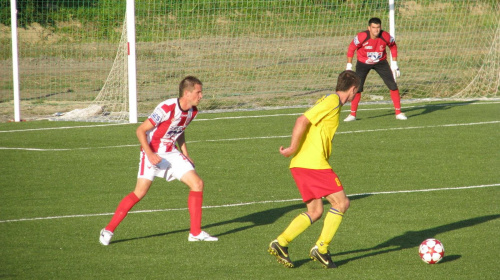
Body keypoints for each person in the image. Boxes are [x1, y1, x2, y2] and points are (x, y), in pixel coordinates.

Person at [99, 76, 218, 246]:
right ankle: (108, 229)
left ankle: (195, 232)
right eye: (198, 92)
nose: (201, 96)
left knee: (197, 184)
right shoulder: (167, 107)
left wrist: (185, 153)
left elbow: (179, 130)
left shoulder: (192, 111)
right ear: (187, 93)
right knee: (139, 193)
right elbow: (140, 130)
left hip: (171, 153)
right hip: (152, 152)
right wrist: (150, 154)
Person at [268, 70, 361, 269]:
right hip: (313, 164)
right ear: (353, 89)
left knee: (316, 210)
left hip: (300, 164)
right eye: (356, 91)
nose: (355, 95)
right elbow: (302, 120)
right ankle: (321, 248)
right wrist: (292, 147)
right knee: (342, 203)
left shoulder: (329, 100)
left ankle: (281, 242)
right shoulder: (333, 101)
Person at [344, 17, 407, 121]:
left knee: (392, 85)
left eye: (378, 27)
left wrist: (394, 63)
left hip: (381, 62)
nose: (376, 30)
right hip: (363, 63)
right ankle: (352, 115)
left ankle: (398, 113)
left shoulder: (385, 36)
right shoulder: (361, 36)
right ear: (369, 28)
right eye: (373, 27)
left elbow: (393, 46)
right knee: (357, 87)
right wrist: (349, 65)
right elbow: (351, 48)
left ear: (380, 27)